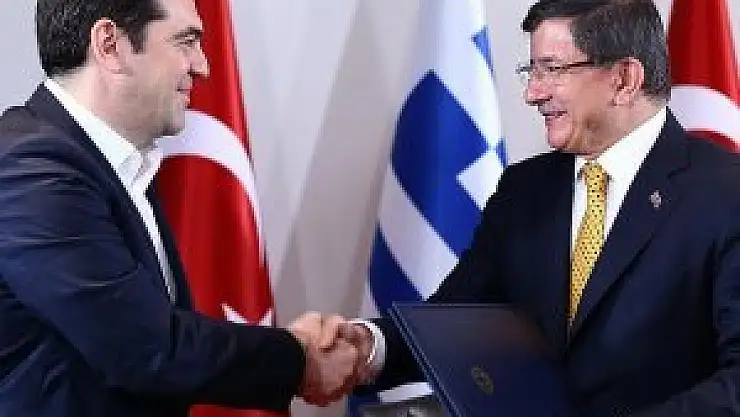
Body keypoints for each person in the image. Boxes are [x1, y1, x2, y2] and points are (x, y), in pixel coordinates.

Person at [343, 0, 740, 415]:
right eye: (532, 71)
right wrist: (366, 346)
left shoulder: (725, 194)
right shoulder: (524, 189)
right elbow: (453, 327)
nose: (533, 93)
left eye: (552, 69)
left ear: (624, 79)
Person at [0, 0, 360, 416]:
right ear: (110, 44)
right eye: (185, 42)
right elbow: (144, 347)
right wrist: (300, 359)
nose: (203, 66)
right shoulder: (31, 170)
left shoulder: (117, 163)